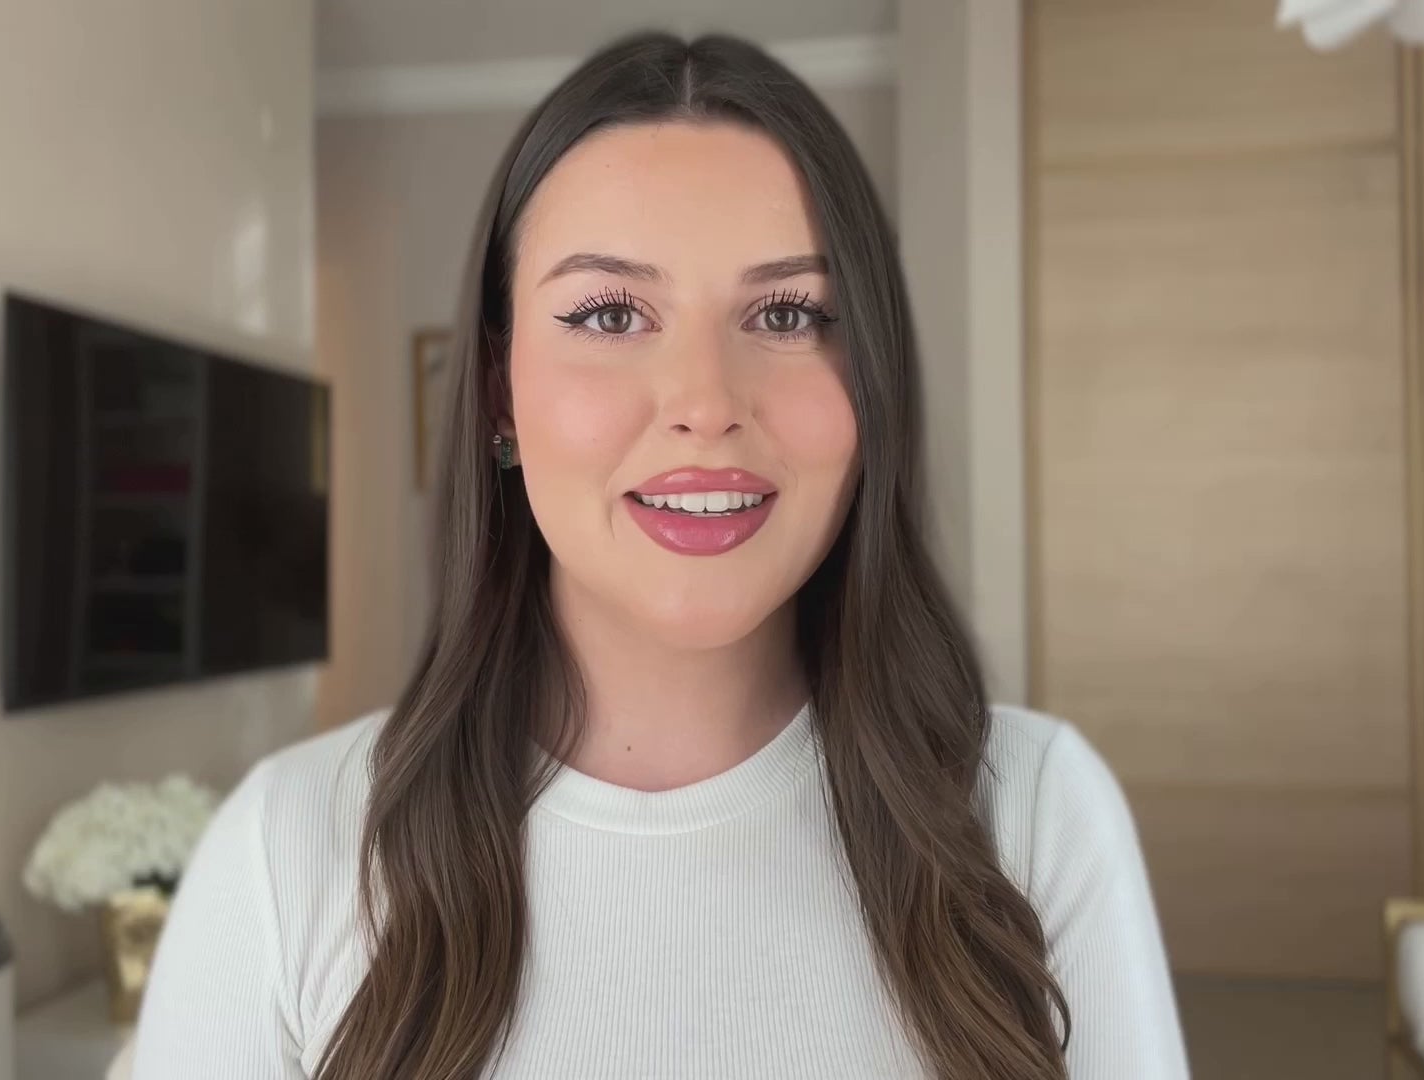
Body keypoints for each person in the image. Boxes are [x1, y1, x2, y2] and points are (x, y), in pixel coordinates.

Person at [134, 31, 1187, 1080]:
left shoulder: (1036, 814)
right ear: (500, 391)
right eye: (609, 314)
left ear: (872, 385)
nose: (705, 403)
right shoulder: (285, 854)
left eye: (787, 313)